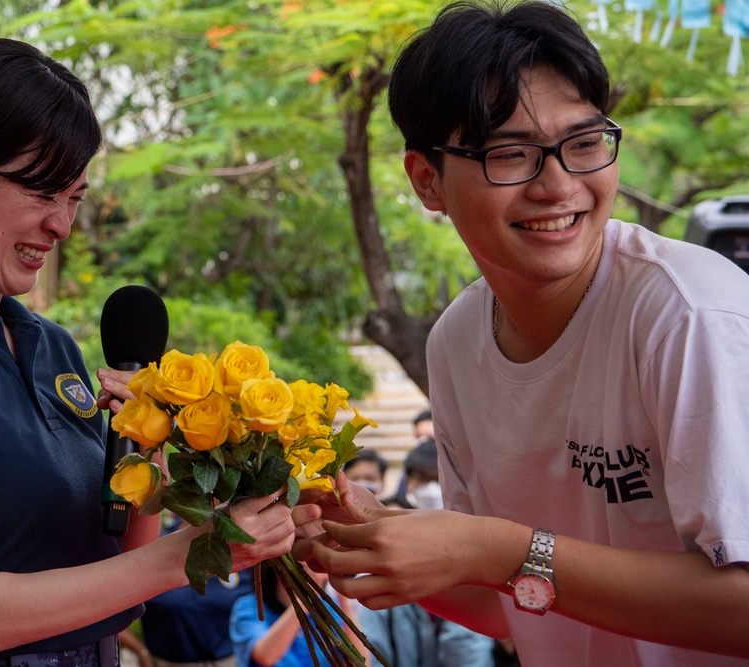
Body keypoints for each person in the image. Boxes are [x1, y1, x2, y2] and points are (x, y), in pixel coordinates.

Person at [293, 1, 749, 665]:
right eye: (511, 153)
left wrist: (497, 548)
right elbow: (507, 602)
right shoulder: (455, 343)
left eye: (585, 143)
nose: (559, 185)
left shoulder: (688, 316)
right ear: (427, 181)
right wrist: (376, 536)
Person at [0, 38, 296, 667]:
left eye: (73, 198)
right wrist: (193, 549)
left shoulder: (50, 345)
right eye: (41, 191)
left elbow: (124, 566)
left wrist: (160, 449)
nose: (62, 225)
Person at [343, 446, 495, 667]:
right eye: (423, 479)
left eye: (437, 479)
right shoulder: (376, 580)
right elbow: (372, 651)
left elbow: (471, 654)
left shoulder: (473, 564)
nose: (432, 489)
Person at [130, 511, 254, 667]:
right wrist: (140, 650)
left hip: (231, 661)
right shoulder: (157, 548)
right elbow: (115, 599)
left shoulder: (239, 548)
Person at [228, 562, 361, 667]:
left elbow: (362, 661)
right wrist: (306, 597)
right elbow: (265, 657)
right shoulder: (249, 606)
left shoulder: (327, 608)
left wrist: (344, 599)